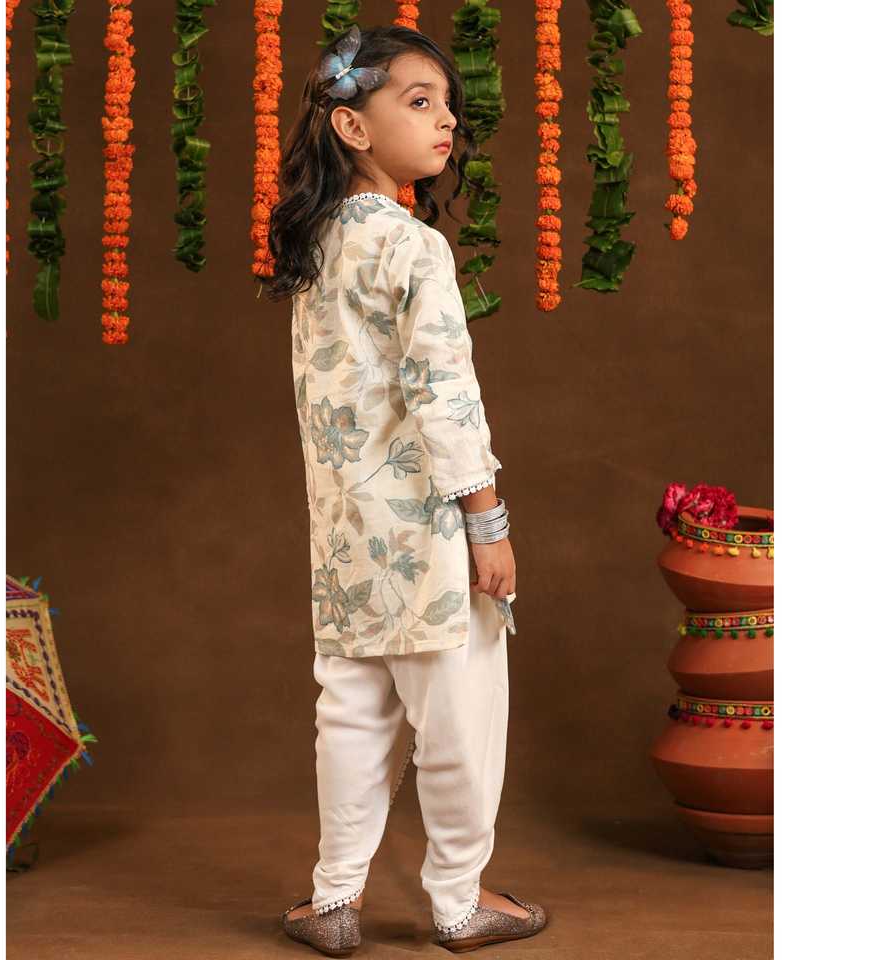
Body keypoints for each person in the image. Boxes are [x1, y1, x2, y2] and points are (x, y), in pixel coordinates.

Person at [265, 23, 547, 956]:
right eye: (418, 102)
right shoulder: (414, 247)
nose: (446, 121)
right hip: (428, 533)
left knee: (351, 711)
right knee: (461, 717)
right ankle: (459, 903)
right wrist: (487, 522)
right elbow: (444, 393)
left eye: (447, 105)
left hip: (346, 531)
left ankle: (334, 900)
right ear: (352, 126)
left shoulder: (316, 249)